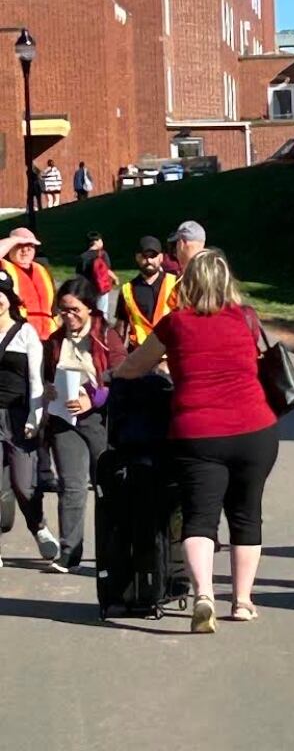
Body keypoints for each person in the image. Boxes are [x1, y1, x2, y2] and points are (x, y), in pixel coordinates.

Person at [112, 249, 278, 633]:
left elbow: (135, 366)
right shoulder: (246, 318)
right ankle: (242, 601)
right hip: (255, 430)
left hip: (198, 434)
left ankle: (204, 595)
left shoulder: (175, 323)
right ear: (226, 282)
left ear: (187, 283)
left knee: (199, 518)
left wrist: (114, 375)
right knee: (246, 515)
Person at [43, 277, 127, 573]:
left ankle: (114, 550)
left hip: (98, 419)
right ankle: (69, 551)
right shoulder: (55, 340)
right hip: (64, 419)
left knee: (107, 485)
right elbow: (44, 373)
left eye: (74, 310)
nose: (68, 317)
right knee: (71, 486)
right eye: (63, 310)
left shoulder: (107, 336)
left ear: (90, 308)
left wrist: (94, 397)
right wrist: (48, 388)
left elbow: (122, 372)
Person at [0, 271, 59, 568]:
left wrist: (36, 417)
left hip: (18, 416)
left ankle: (38, 527)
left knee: (23, 484)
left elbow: (37, 381)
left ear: (9, 298)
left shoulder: (25, 333)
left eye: (1, 293)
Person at [114, 236, 177, 350]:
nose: (149, 261)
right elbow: (121, 326)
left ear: (161, 258)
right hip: (138, 353)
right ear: (137, 257)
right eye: (145, 256)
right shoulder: (127, 289)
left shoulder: (175, 283)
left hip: (169, 353)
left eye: (153, 256)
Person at [0, 227, 57, 341]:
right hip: (19, 337)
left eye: (30, 246)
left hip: (49, 336)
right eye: (19, 246)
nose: (25, 250)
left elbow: (54, 308)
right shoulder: (4, 269)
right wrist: (14, 240)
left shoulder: (42, 269)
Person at [76, 232, 119, 319]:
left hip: (87, 289)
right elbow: (107, 270)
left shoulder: (82, 257)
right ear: (97, 241)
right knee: (102, 312)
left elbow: (78, 274)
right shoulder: (102, 254)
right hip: (101, 288)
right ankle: (102, 330)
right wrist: (115, 278)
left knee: (88, 311)